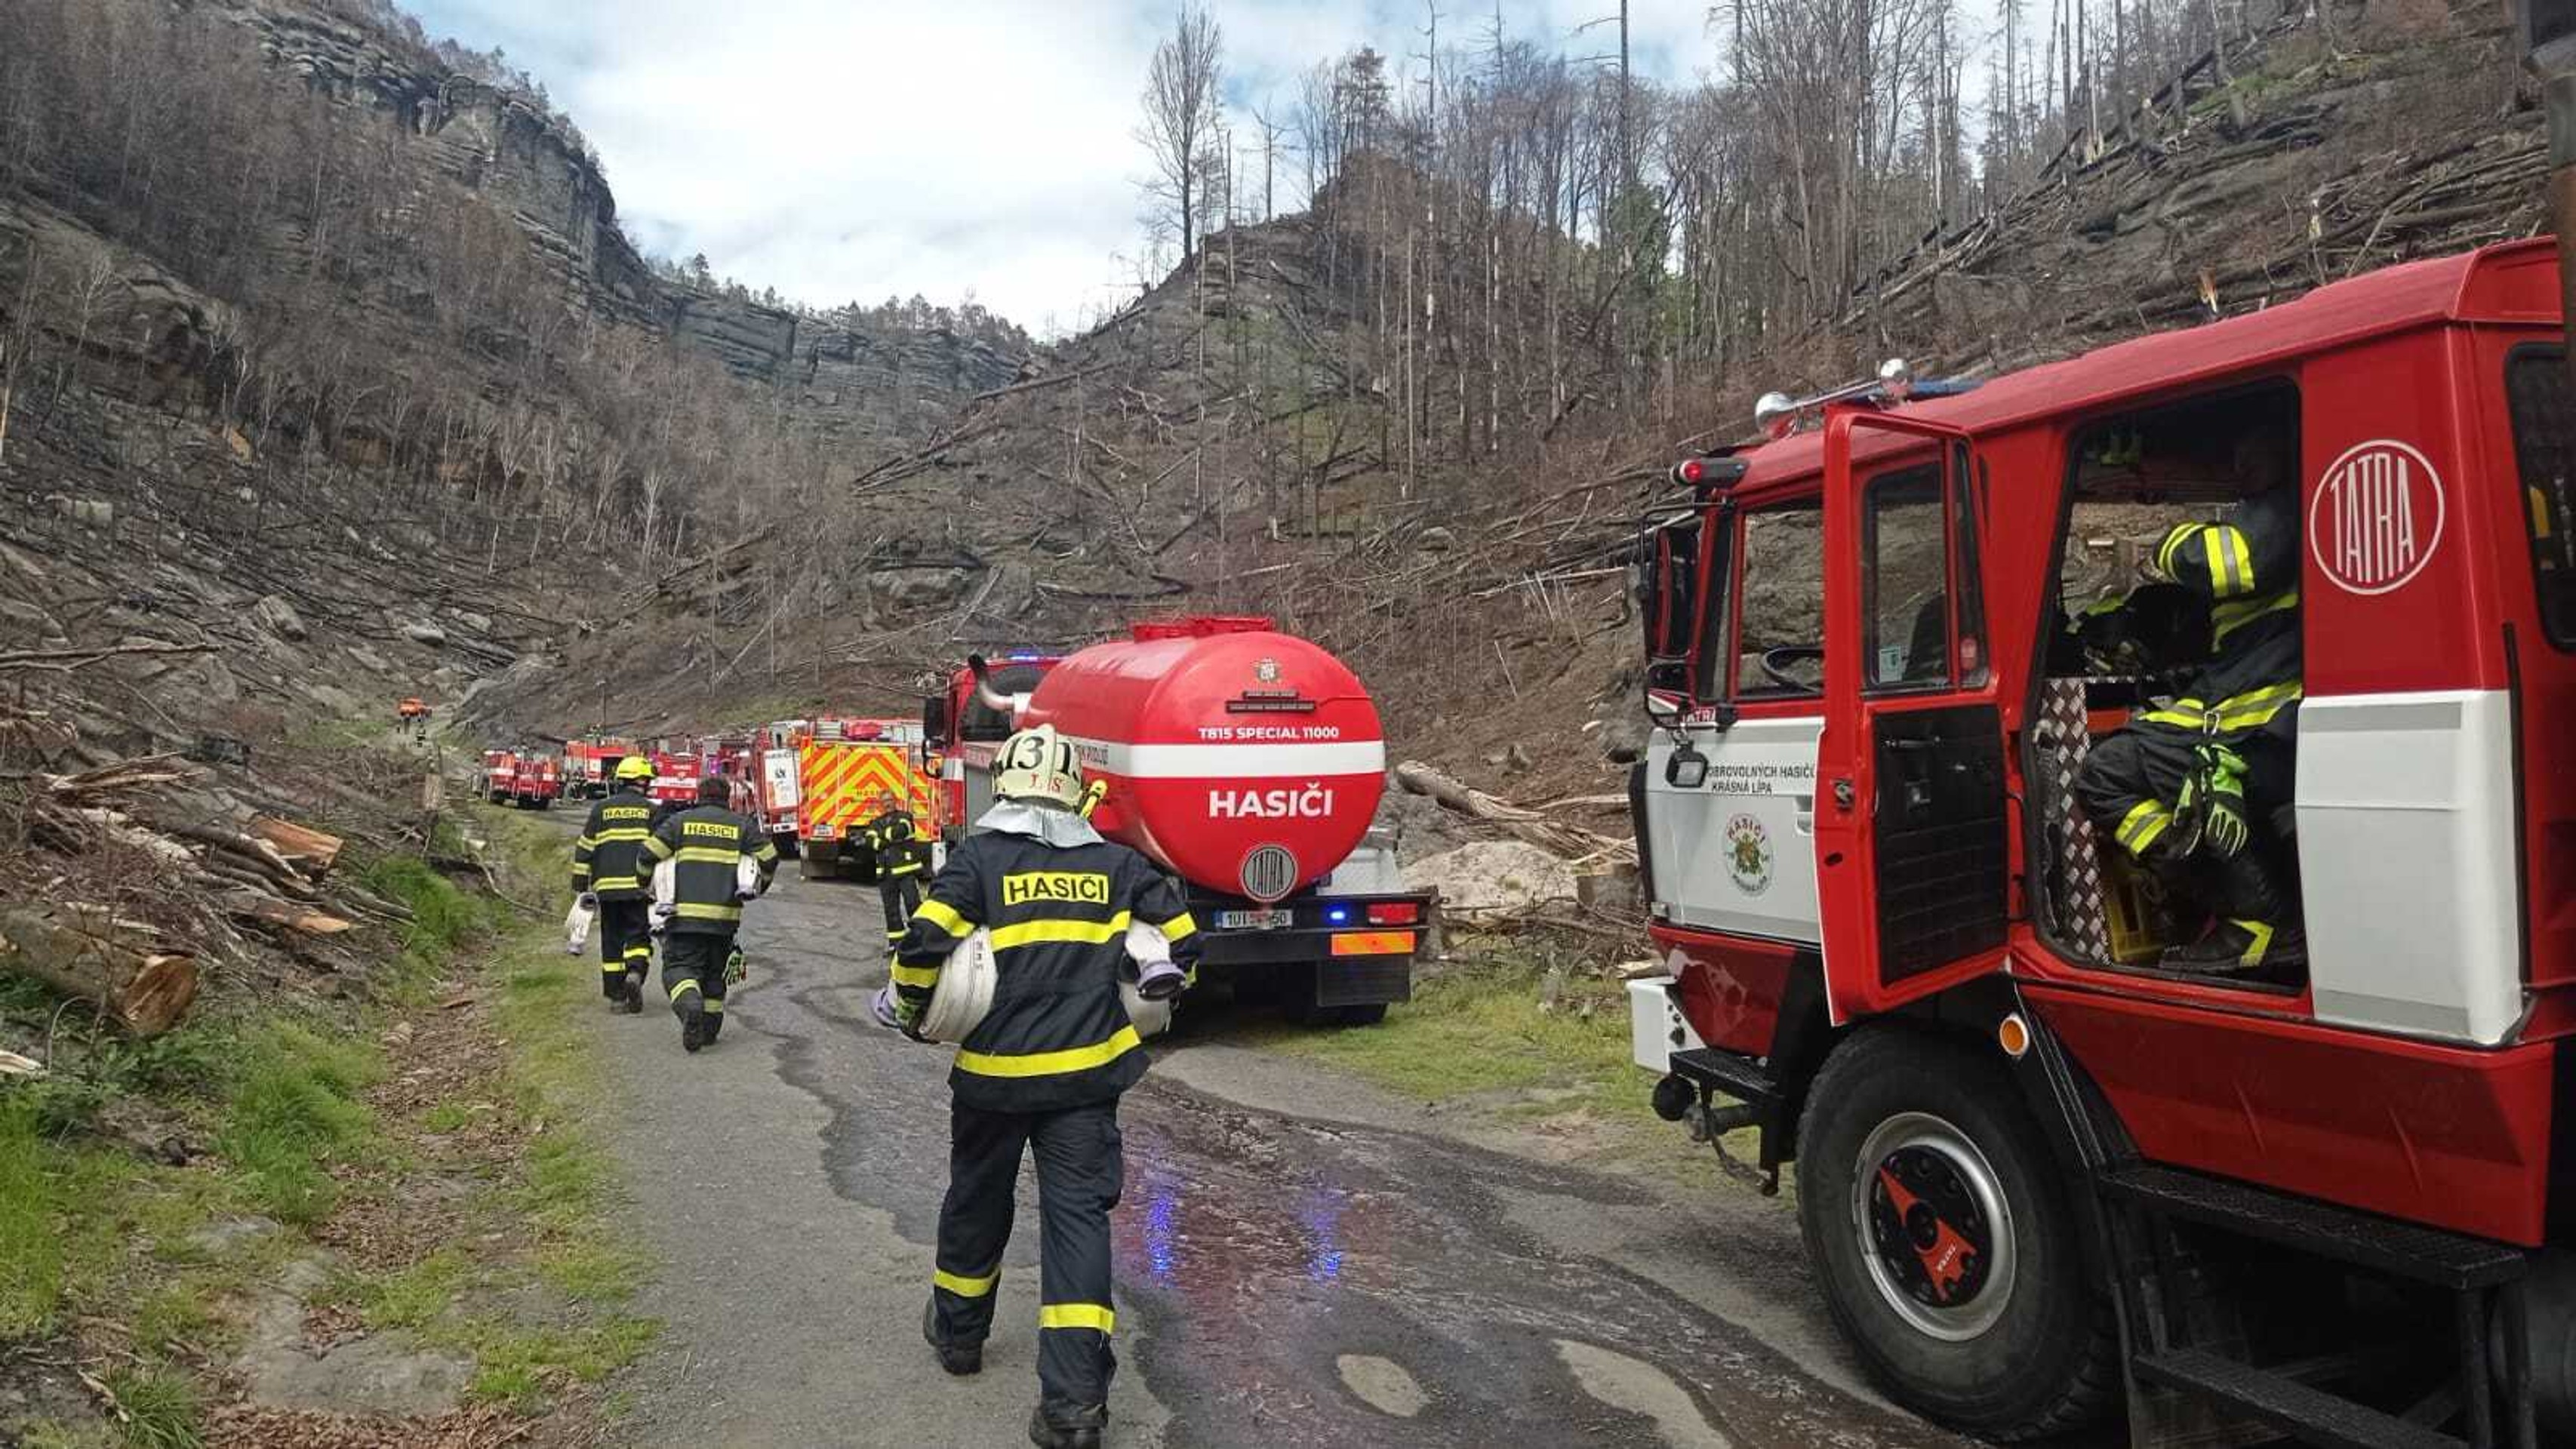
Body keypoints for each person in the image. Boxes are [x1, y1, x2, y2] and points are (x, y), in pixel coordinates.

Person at [882, 724, 1198, 1449]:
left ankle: (959, 1337)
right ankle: (1074, 1409)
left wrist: (908, 1008)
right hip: (1086, 1084)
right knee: (1078, 1226)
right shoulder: (1118, 866)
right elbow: (1182, 945)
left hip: (993, 1081)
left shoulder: (980, 859)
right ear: (1071, 788)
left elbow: (922, 946)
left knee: (976, 1201)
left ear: (1007, 787)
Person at [2076, 428, 2303, 973]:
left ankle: (2249, 913)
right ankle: (2245, 903)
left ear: (2285, 446)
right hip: (2267, 710)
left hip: (2255, 718)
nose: (2238, 460)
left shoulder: (2281, 509)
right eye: (2233, 449)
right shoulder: (2311, 508)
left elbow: (2226, 561)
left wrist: (2169, 541)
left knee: (2104, 774)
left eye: (2251, 447)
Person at [642, 775, 779, 1052]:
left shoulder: (679, 823)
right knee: (714, 975)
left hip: (683, 920)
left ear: (699, 795)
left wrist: (647, 886)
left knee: (679, 971)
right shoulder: (742, 826)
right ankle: (709, 1029)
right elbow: (769, 857)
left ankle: (690, 1007)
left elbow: (648, 854)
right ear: (727, 797)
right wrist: (759, 887)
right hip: (724, 921)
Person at [573, 756, 663, 1012]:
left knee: (611, 940)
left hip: (608, 890)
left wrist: (580, 880)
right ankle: (634, 973)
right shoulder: (651, 811)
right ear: (642, 781)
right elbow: (660, 849)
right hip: (639, 889)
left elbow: (585, 847)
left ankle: (617, 998)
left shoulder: (601, 809)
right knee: (638, 935)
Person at [865, 809, 933, 960]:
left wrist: (882, 836)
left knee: (913, 904)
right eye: (885, 800)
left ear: (894, 801)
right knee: (891, 911)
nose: (887, 803)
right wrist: (889, 838)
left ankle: (922, 940)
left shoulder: (905, 817)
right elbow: (870, 841)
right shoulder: (876, 822)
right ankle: (896, 944)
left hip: (905, 870)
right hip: (885, 873)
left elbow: (902, 830)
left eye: (890, 799)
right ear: (881, 804)